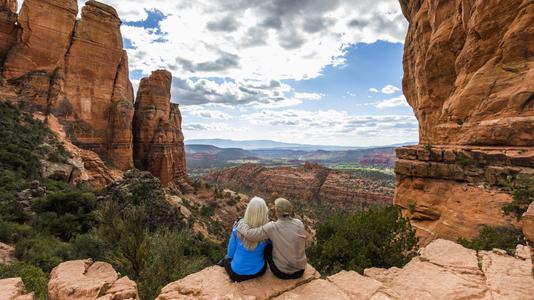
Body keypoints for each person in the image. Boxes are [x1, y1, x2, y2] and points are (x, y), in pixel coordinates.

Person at [237, 197, 307, 280]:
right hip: (300, 270)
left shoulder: (272, 227)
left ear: (277, 212)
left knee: (267, 246)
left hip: (282, 273)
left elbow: (250, 235)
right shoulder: (299, 223)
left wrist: (241, 222)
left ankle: (258, 266)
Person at [221, 196, 269, 282]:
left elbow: (230, 253)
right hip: (258, 271)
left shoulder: (237, 228)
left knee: (225, 260)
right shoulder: (268, 232)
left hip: (236, 274)